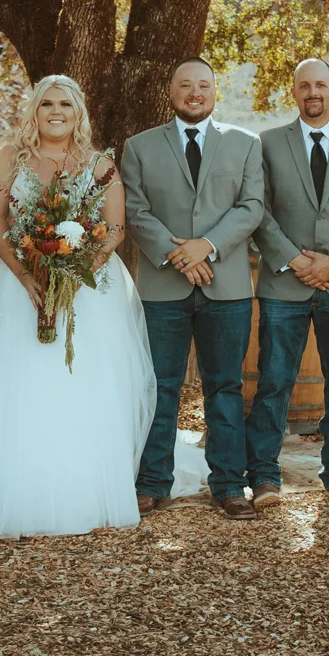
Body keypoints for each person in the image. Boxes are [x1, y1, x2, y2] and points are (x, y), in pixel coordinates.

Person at [0, 74, 156, 539]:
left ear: (78, 111)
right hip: (14, 285)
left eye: (65, 104)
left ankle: (82, 491)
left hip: (87, 286)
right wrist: (25, 273)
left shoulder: (99, 163)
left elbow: (116, 227)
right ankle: (13, 495)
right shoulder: (9, 158)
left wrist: (77, 269)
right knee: (14, 382)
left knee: (81, 382)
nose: (55, 112)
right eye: (47, 104)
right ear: (35, 112)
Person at [123, 58, 265, 520]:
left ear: (215, 92)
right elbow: (136, 210)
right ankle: (151, 483)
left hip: (226, 288)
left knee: (225, 387)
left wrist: (206, 247)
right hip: (162, 286)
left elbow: (251, 207)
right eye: (185, 84)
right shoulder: (139, 147)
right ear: (171, 90)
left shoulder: (245, 144)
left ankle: (228, 484)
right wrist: (175, 253)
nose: (195, 92)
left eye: (203, 84)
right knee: (159, 388)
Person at [245, 59, 329, 511]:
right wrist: (297, 260)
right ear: (294, 92)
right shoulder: (266, 144)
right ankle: (264, 475)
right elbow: (257, 210)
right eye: (304, 85)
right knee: (274, 379)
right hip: (285, 283)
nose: (313, 92)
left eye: (321, 84)